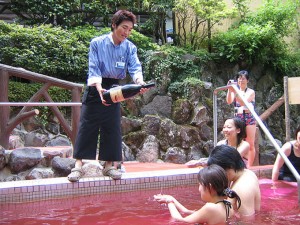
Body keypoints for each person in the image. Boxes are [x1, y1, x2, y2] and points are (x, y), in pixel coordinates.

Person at [68, 10, 149, 182]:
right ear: (114, 25)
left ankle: (109, 166)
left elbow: (135, 68)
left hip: (114, 89)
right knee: (87, 125)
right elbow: (94, 67)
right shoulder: (97, 43)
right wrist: (98, 87)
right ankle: (78, 166)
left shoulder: (130, 47)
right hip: (95, 86)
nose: (126, 32)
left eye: (130, 29)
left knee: (111, 126)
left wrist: (139, 82)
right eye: (124, 28)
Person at [153, 164, 241, 224]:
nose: (198, 189)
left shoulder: (210, 208)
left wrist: (169, 203)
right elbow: (187, 211)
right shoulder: (227, 204)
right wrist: (171, 198)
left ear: (210, 187)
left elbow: (180, 221)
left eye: (199, 185)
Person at [207, 145, 261, 217]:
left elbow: (247, 220)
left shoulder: (242, 188)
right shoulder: (247, 173)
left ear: (230, 167)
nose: (218, 176)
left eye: (219, 171)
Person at [185, 117, 250, 167]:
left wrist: (200, 163)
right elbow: (213, 158)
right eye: (224, 127)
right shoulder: (221, 143)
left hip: (239, 175)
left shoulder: (244, 145)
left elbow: (230, 160)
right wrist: (198, 162)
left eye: (229, 127)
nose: (225, 130)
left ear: (238, 130)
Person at [226, 70, 256, 167]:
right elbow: (229, 101)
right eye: (239, 78)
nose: (241, 80)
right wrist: (229, 90)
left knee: (250, 143)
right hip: (238, 118)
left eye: (243, 78)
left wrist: (235, 91)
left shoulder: (251, 92)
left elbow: (244, 102)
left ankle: (249, 167)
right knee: (237, 141)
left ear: (247, 80)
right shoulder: (235, 90)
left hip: (248, 118)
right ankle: (237, 164)